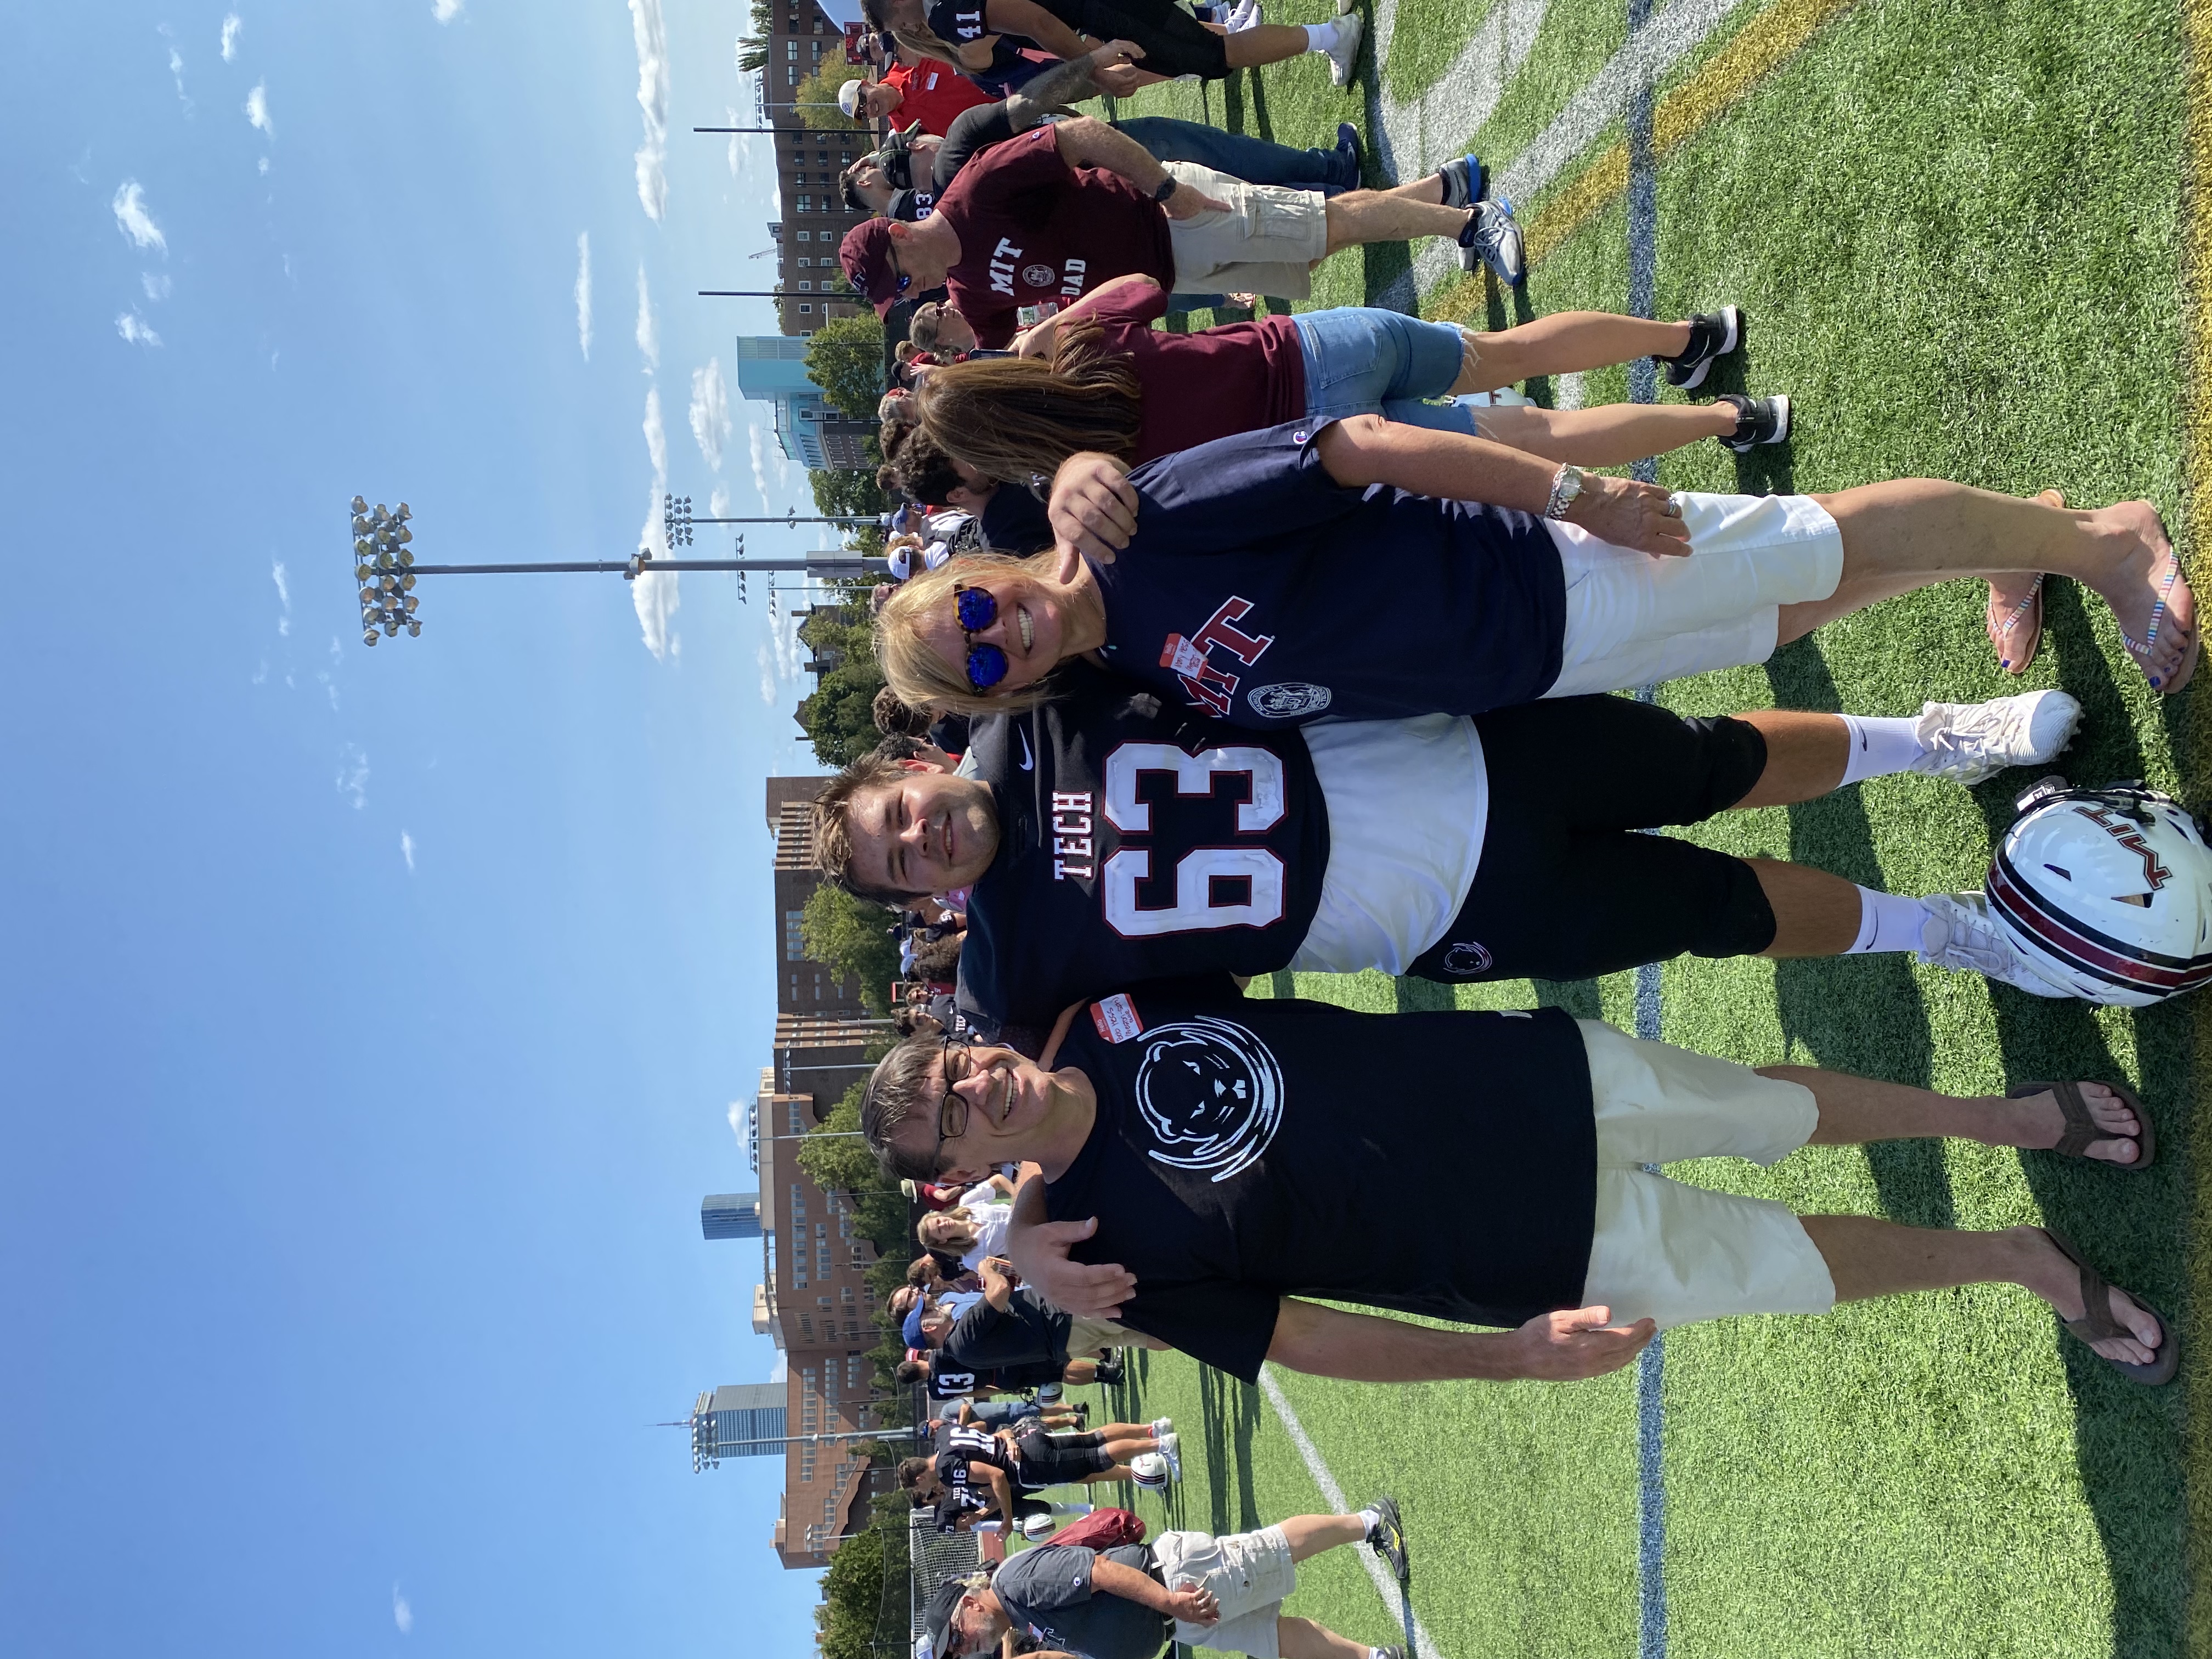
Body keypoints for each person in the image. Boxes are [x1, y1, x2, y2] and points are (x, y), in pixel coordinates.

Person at [859, 987, 2173, 1386]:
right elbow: (1301, 1336)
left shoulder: (1101, 1008)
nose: (976, 1092)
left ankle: (2013, 1119)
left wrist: (1016, 1238)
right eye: (952, 1122)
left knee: (1775, 1107)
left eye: (960, 1071)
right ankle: (2022, 1261)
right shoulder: (1098, 1260)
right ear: (956, 1176)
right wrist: (1505, 1358)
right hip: (1529, 1246)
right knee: (1797, 1267)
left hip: (1531, 1081)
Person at [810, 662, 2086, 1032]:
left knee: (1707, 760)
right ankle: (1948, 932)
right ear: (916, 901)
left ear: (911, 772)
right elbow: (1057, 1115)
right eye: (900, 862)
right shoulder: (1008, 976)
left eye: (898, 816)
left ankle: (1937, 740)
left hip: (1440, 752)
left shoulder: (1028, 707)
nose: (919, 838)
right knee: (1717, 912)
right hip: (1427, 915)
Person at [873, 420, 2194, 713]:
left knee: (1819, 533)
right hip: (1544, 658)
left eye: (971, 612)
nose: (1001, 634)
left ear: (971, 572)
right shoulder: (1122, 663)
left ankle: (2104, 546)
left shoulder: (1139, 517)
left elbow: (1363, 447)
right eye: (977, 667)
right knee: (1788, 608)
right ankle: (2025, 536)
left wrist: (1586, 496)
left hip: (1541, 570)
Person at [909, 278, 1786, 478]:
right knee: (1509, 351)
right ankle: (1688, 336)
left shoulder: (1088, 475)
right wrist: (1055, 329)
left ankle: (1731, 416)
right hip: (1319, 346)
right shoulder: (1075, 348)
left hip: (1332, 442)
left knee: (1542, 442)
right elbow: (1147, 286)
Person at [839, 117, 1515, 348]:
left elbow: (1080, 136)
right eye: (899, 296)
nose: (912, 291)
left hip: (1170, 216)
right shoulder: (968, 291)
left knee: (1322, 223)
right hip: (1173, 278)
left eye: (900, 277)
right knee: (1323, 240)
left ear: (896, 229)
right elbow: (1004, 356)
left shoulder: (976, 189)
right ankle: (1442, 190)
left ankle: (1472, 223)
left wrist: (1170, 189)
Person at [917, 1500, 1414, 1659]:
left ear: (969, 1607)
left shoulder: (1015, 1584)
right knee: (1273, 1639)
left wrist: (1173, 1603)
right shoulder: (1017, 1613)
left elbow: (1101, 1572)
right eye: (954, 1654)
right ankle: (1373, 1657)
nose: (963, 1651)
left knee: (1273, 1550)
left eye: (955, 1641)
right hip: (1174, 1619)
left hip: (1174, 1582)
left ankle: (1370, 1522)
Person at [864, 0, 1365, 95]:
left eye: (901, 20)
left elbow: (1037, 21)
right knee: (1207, 44)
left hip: (1101, 9)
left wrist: (1094, 67)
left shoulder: (948, 15)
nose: (910, 28)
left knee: (1215, 55)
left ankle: (1330, 36)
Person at [843, 58, 997, 137]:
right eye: (862, 114)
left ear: (866, 84)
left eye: (862, 101)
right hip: (1003, 118)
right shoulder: (906, 133)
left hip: (1000, 74)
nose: (868, 109)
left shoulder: (905, 61)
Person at [922, 1198, 1013, 1267]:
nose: (943, 1225)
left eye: (938, 1221)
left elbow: (998, 1180)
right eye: (939, 1230)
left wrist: (1016, 1197)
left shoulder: (966, 1203)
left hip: (1025, 1209)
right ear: (942, 1241)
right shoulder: (971, 1259)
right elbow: (1002, 1271)